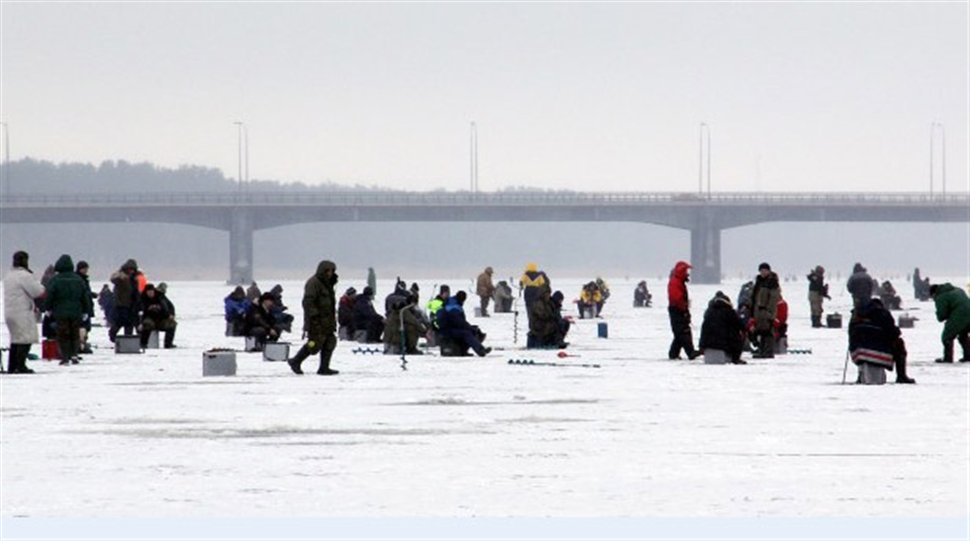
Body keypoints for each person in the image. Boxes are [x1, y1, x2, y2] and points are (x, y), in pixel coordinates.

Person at [287, 260, 340, 375]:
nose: (330, 273)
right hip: (316, 321)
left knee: (329, 342)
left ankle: (324, 367)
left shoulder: (328, 284)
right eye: (328, 271)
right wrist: (314, 316)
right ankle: (296, 360)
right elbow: (308, 302)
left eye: (332, 271)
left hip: (328, 320)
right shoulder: (313, 283)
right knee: (314, 343)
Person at [849, 298, 916, 384]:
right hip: (876, 350)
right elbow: (892, 333)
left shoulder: (856, 314)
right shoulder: (882, 313)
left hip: (857, 352)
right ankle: (901, 376)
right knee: (899, 344)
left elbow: (851, 333)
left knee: (862, 341)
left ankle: (860, 375)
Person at [3, 251, 46, 374]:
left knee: (15, 340)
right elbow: (37, 291)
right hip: (22, 312)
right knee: (25, 339)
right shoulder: (24, 276)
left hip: (10, 312)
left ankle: (12, 366)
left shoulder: (9, 275)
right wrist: (42, 287)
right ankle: (20, 366)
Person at [45, 254, 91, 365]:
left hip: (60, 312)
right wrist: (86, 310)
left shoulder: (55, 280)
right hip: (76, 311)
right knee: (74, 333)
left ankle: (65, 356)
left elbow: (50, 295)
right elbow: (85, 296)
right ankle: (74, 354)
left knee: (62, 334)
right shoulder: (78, 279)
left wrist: (48, 308)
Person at [438, 291, 491, 357]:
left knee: (469, 331)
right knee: (467, 333)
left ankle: (464, 351)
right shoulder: (454, 307)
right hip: (447, 330)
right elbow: (459, 322)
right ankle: (480, 350)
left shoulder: (452, 303)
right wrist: (470, 328)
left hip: (449, 328)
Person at [699, 291, 745, 364]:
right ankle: (735, 358)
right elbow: (741, 326)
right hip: (724, 347)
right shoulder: (730, 312)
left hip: (707, 346)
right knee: (735, 333)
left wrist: (701, 346)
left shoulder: (709, 313)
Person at [667, 260, 699, 360]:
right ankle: (690, 352)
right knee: (683, 332)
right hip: (677, 310)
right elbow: (676, 299)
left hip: (678, 310)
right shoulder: (675, 282)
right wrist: (684, 309)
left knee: (679, 333)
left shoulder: (677, 282)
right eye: (686, 271)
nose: (687, 274)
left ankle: (674, 354)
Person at [929, 283, 970, 363]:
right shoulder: (958, 290)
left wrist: (938, 313)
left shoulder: (941, 297)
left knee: (947, 337)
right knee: (963, 335)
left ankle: (948, 358)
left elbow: (942, 316)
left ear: (934, 293)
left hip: (959, 316)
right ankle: (968, 356)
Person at [750, 262, 781, 359]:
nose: (763, 272)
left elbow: (774, 298)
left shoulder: (772, 282)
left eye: (765, 270)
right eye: (761, 271)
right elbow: (755, 297)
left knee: (768, 331)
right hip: (758, 310)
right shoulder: (759, 281)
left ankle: (768, 352)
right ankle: (762, 350)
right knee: (761, 330)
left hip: (767, 310)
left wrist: (768, 312)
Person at [109, 259, 140, 342]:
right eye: (130, 269)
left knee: (130, 323)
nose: (131, 271)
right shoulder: (121, 277)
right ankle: (112, 336)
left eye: (133, 269)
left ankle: (128, 339)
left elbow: (135, 291)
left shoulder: (134, 279)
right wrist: (120, 276)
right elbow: (113, 279)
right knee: (119, 322)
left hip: (131, 304)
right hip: (121, 304)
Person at [138, 284, 170, 349]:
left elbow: (168, 308)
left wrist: (169, 314)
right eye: (149, 292)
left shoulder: (160, 297)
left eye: (152, 291)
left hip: (160, 319)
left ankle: (168, 344)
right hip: (148, 319)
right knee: (147, 325)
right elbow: (140, 311)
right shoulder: (142, 298)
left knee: (171, 324)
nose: (150, 293)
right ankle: (143, 344)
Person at [75, 260, 96, 354]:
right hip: (82, 307)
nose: (86, 270)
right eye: (84, 268)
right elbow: (83, 293)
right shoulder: (80, 279)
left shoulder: (83, 278)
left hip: (85, 305)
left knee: (85, 328)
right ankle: (80, 346)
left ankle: (81, 345)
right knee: (83, 327)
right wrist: (90, 294)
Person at [155, 282, 178, 348]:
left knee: (172, 324)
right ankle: (168, 344)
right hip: (158, 320)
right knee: (172, 325)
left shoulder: (162, 296)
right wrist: (168, 315)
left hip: (163, 318)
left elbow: (169, 306)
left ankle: (168, 343)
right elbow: (162, 309)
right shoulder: (158, 297)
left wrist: (171, 314)